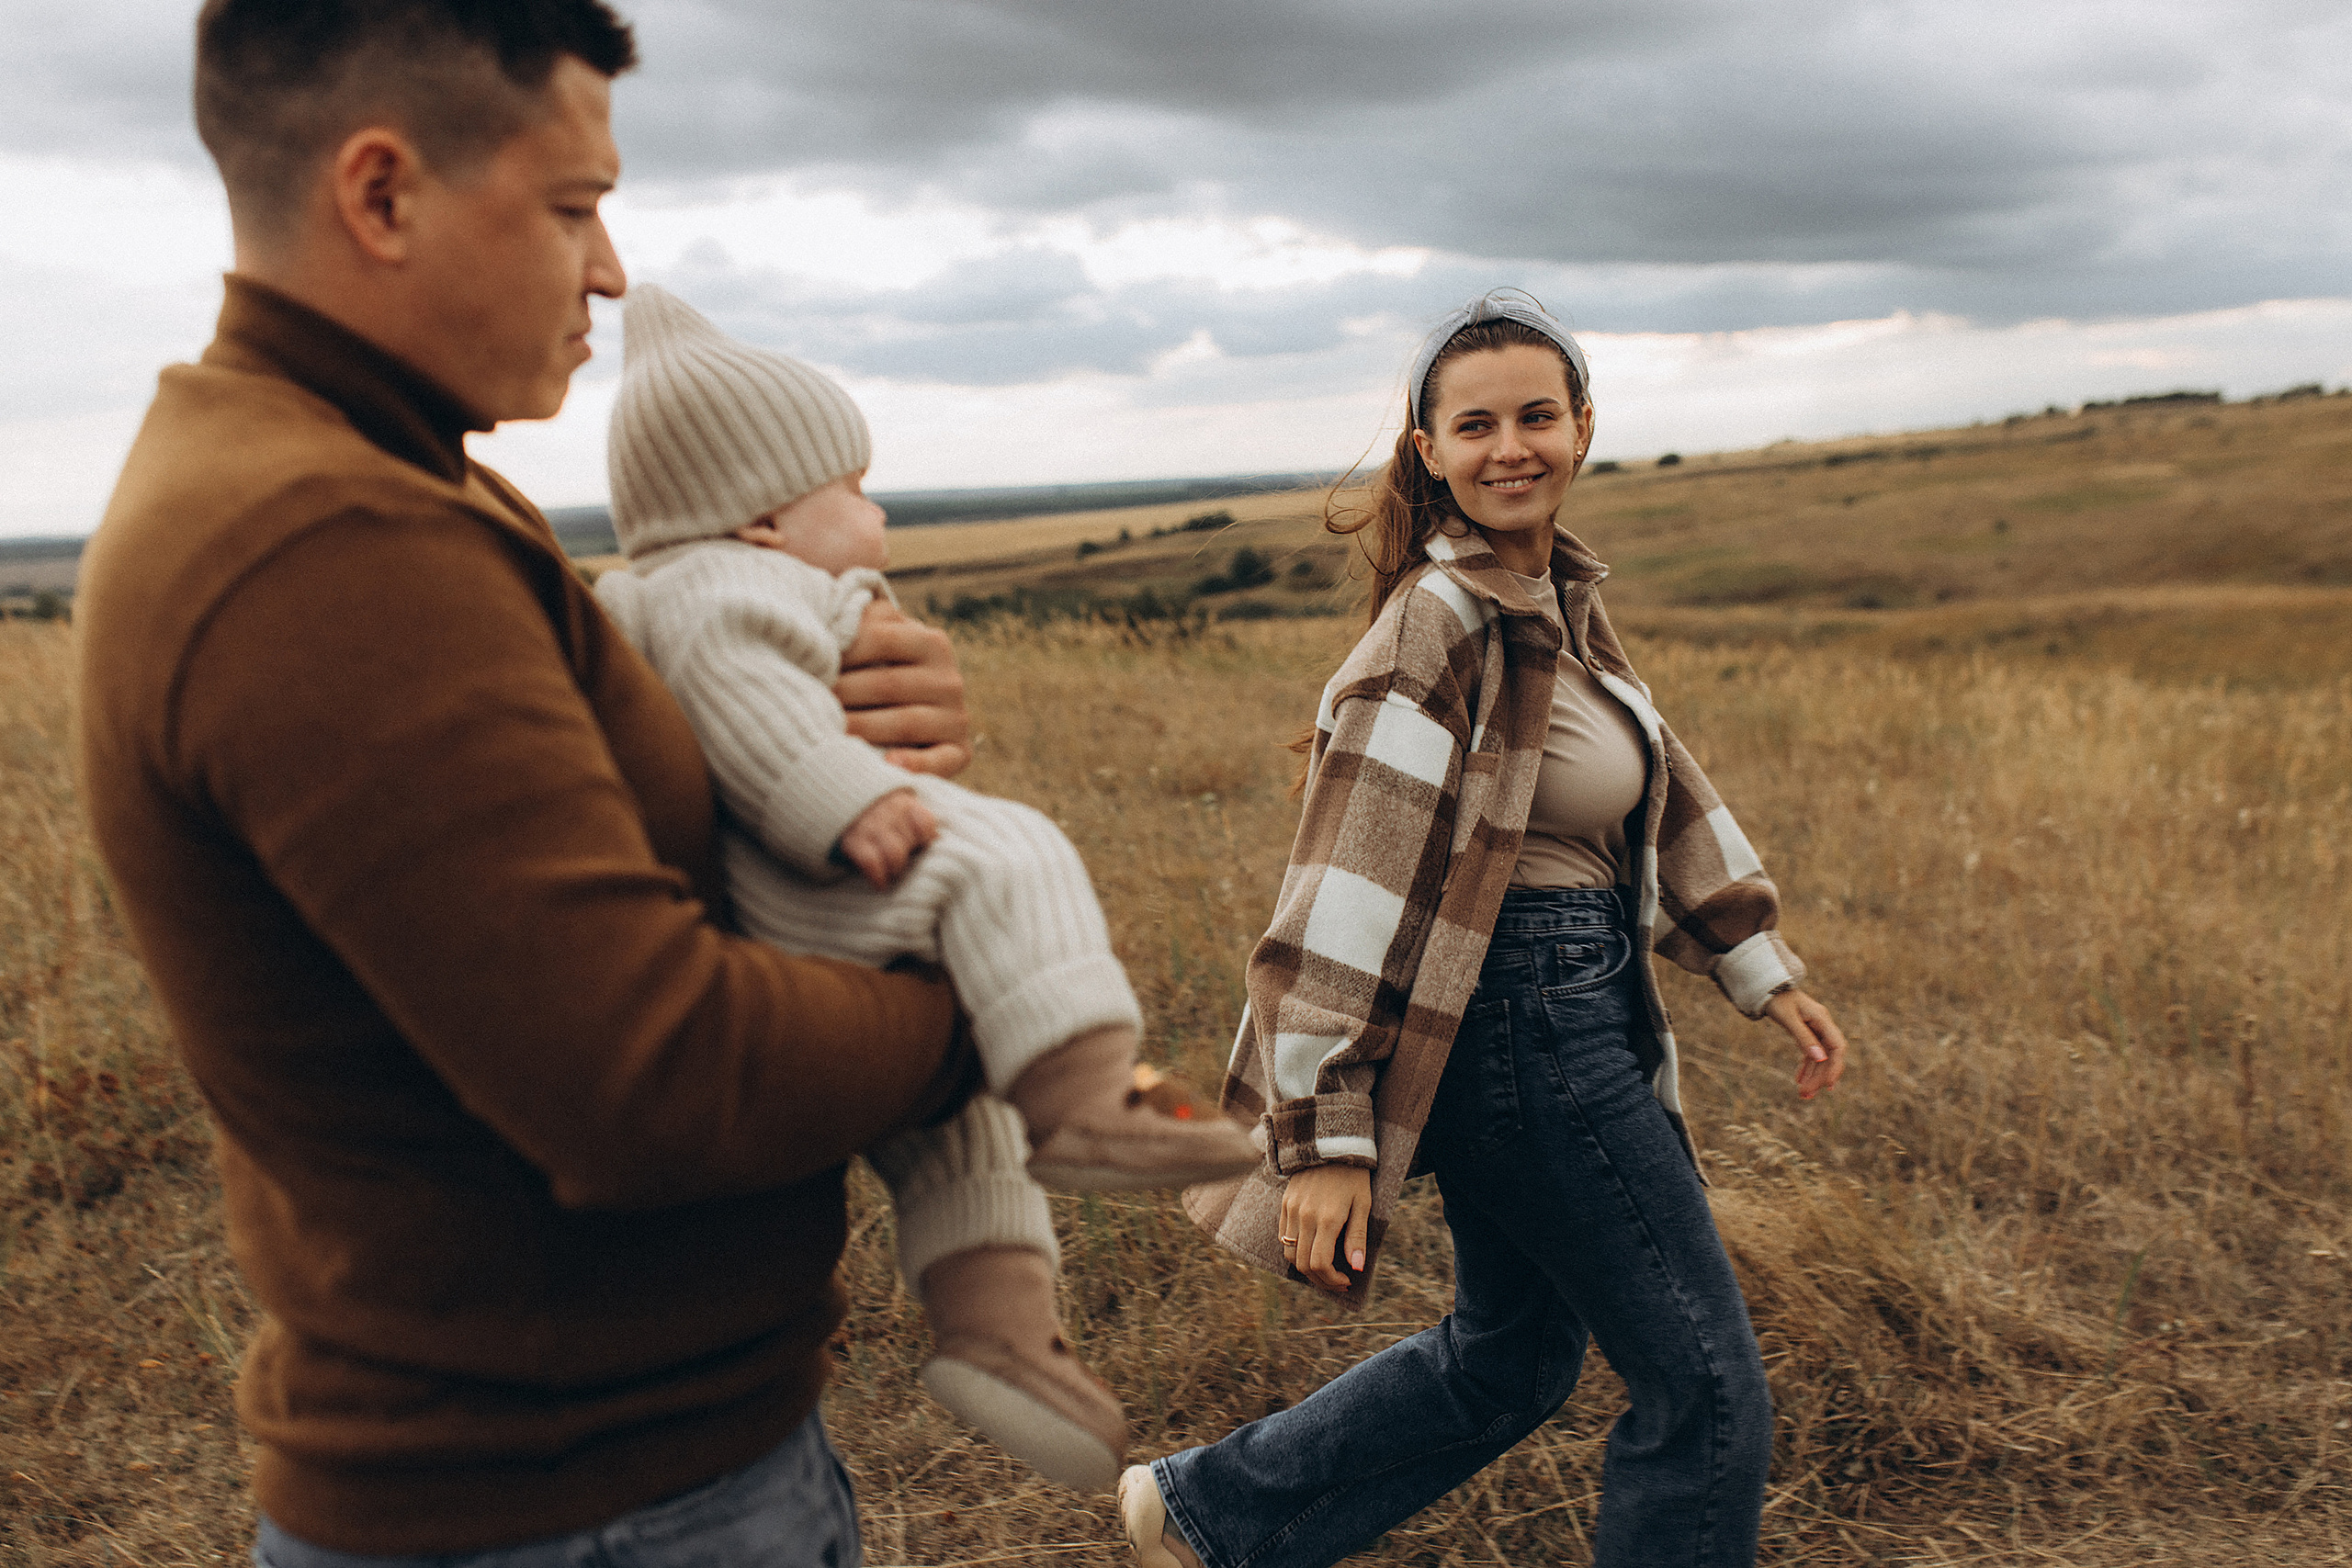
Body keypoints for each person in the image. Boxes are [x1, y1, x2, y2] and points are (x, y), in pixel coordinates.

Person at [76, 3, 976, 1562]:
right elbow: (650, 1080)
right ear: (382, 194)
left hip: (603, 1475)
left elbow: (561, 847)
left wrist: (832, 708)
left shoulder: (372, 474)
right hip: (579, 1508)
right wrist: (992, 1000)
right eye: (574, 206)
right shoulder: (327, 541)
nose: (611, 270)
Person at [1120, 292, 1852, 1568]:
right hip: (1525, 1022)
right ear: (1428, 448)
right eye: (1476, 425)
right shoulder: (1440, 625)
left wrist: (1757, 962)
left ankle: (1210, 1513)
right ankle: (1215, 1510)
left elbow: (1659, 787)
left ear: (1581, 429)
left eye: (1536, 416)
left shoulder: (1554, 600)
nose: (1510, 446)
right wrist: (1327, 1133)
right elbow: (1347, 884)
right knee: (1708, 1393)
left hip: (1562, 1007)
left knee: (1512, 1355)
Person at [591, 284, 1260, 1490]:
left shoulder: (728, 580)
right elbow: (747, 706)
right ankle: (1088, 1094)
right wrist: (843, 800)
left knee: (959, 1126)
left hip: (812, 876)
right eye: (849, 488)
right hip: (817, 872)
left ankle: (1001, 1338)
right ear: (759, 521)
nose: (877, 507)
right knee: (1013, 854)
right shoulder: (724, 590)